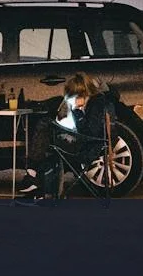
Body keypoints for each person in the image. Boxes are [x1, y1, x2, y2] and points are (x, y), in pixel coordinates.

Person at [15, 72, 110, 203]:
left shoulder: (96, 104)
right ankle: (36, 185)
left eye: (74, 96)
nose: (73, 100)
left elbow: (89, 132)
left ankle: (32, 175)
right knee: (46, 140)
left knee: (45, 127)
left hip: (87, 147)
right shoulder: (92, 102)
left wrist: (77, 111)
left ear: (82, 93)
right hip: (82, 142)